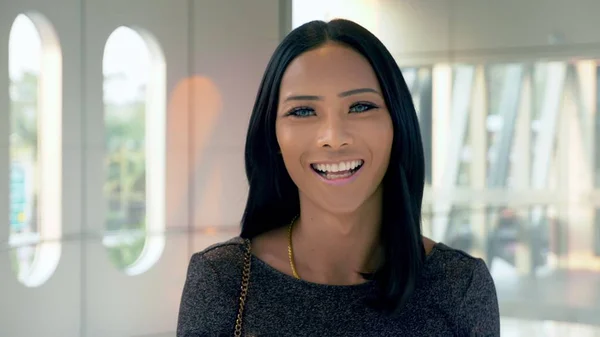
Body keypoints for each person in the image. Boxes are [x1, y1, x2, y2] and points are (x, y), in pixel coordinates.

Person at [177, 19, 500, 336]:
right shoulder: (222, 279)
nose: (333, 137)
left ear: (397, 125)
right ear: (272, 135)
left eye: (360, 106)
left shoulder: (459, 287)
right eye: (303, 111)